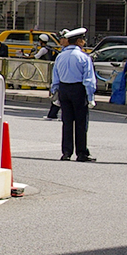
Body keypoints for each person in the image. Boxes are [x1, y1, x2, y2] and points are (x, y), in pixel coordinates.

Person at [51, 27, 96, 162]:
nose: (84, 42)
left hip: (64, 89)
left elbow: (55, 77)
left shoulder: (60, 56)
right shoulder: (83, 57)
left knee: (67, 122)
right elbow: (88, 80)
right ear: (78, 41)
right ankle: (81, 153)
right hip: (78, 90)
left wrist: (56, 93)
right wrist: (91, 97)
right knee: (81, 123)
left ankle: (66, 152)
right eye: (82, 39)